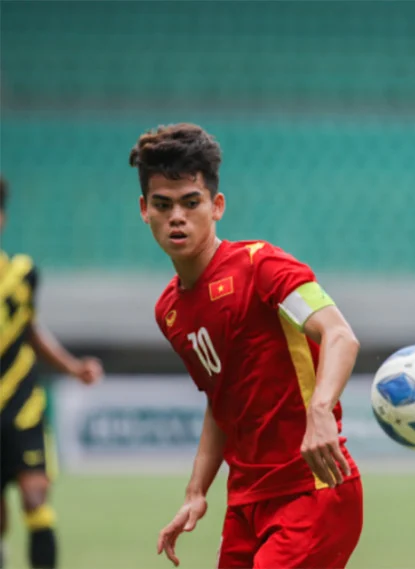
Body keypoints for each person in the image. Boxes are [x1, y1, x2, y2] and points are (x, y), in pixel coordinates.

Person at [129, 124, 363, 568]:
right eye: (163, 205)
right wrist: (196, 492)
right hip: (246, 503)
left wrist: (320, 412)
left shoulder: (264, 267)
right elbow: (222, 402)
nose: (177, 216)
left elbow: (340, 335)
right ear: (145, 210)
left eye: (190, 202)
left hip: (312, 490)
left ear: (216, 206)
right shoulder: (169, 311)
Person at [0, 176, 103, 569]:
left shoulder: (22, 275)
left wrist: (74, 368)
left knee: (35, 498)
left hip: (22, 405)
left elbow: (31, 331)